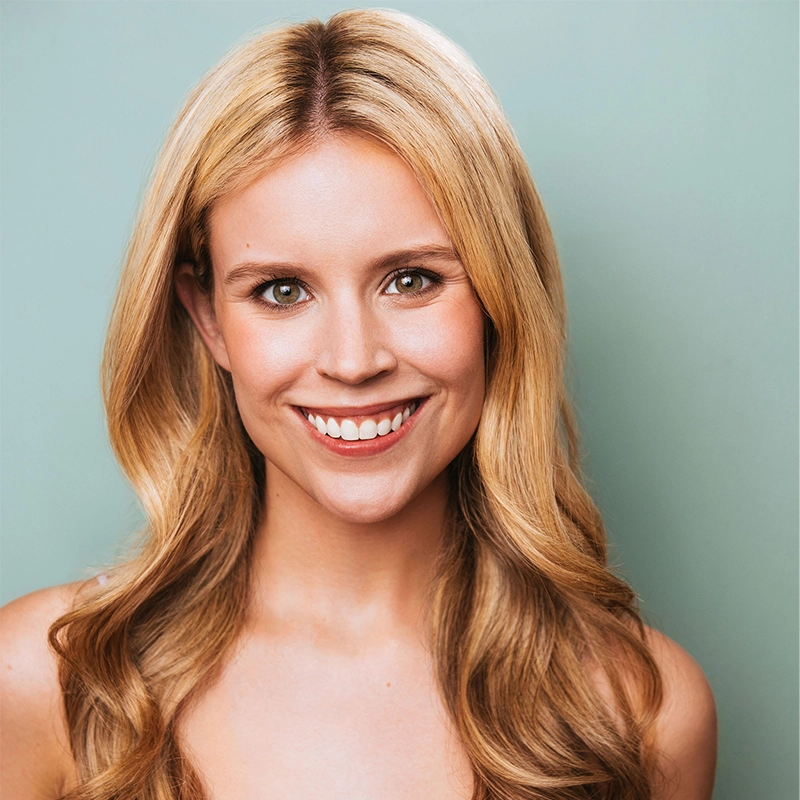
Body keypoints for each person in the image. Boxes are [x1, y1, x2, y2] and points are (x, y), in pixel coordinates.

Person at [0, 9, 716, 799]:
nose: (353, 361)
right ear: (208, 319)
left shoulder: (642, 712)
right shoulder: (44, 682)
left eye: (412, 280)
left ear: (499, 297)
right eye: (282, 291)